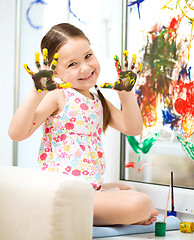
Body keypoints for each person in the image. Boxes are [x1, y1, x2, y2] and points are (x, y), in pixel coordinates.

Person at [9, 23, 158, 226]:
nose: (86, 68)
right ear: (55, 73)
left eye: (88, 56)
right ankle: (132, 213)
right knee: (142, 203)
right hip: (62, 192)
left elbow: (132, 128)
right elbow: (17, 133)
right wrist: (37, 93)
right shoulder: (58, 96)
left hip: (87, 190)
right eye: (72, 64)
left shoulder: (97, 98)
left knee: (129, 190)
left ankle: (128, 212)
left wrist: (126, 94)